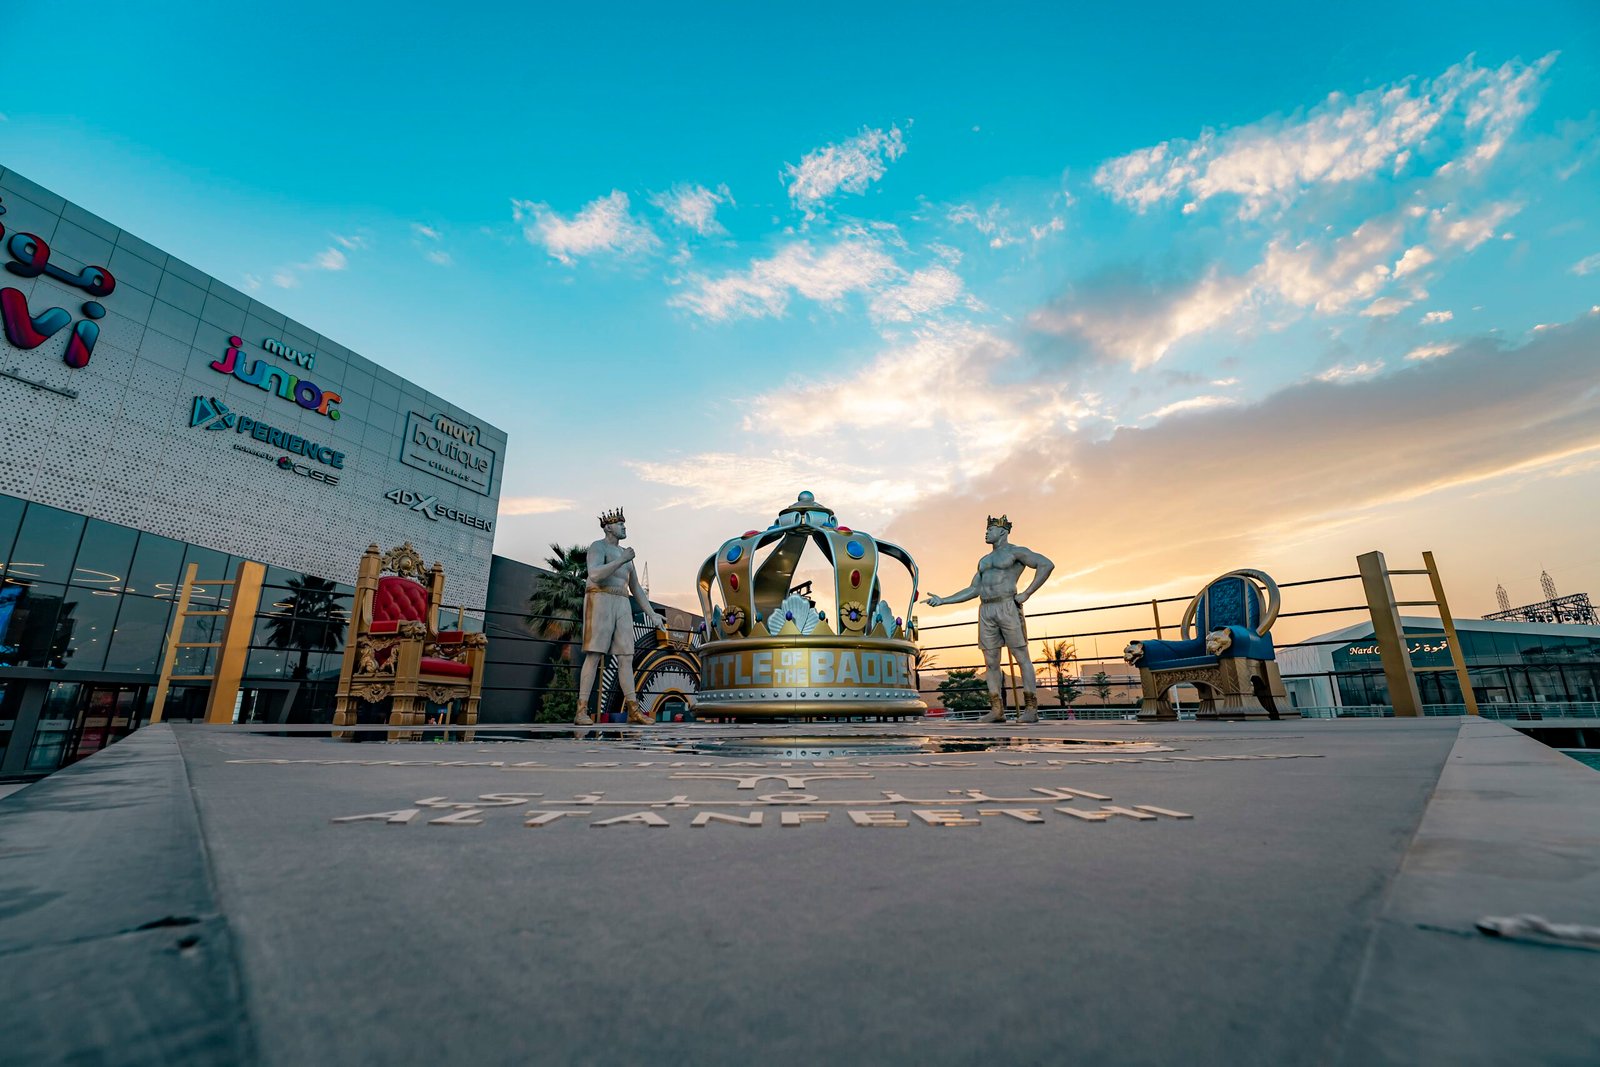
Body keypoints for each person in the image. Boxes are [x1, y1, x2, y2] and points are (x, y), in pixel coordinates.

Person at [925, 515, 1054, 723]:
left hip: (1007, 605)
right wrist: (943, 600)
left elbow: (1046, 565)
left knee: (1021, 655)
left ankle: (1031, 709)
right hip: (986, 609)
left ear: (1002, 531)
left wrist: (1027, 593)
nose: (986, 532)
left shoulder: (1016, 552)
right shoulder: (984, 560)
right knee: (991, 661)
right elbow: (973, 589)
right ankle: (996, 710)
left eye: (990, 529)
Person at [575, 506, 666, 726]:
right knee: (594, 654)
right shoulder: (598, 547)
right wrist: (622, 559)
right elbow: (595, 574)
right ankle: (581, 710)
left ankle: (633, 710)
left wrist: (652, 614)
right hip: (600, 598)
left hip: (623, 602)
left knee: (626, 656)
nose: (624, 527)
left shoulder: (627, 555)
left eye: (624, 523)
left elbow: (636, 588)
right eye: (620, 523)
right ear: (608, 527)